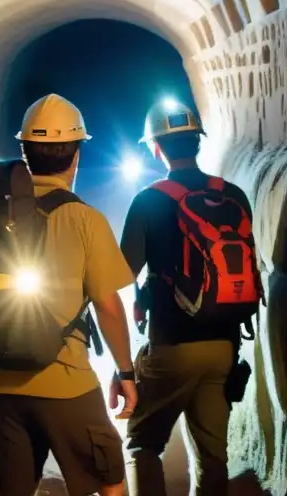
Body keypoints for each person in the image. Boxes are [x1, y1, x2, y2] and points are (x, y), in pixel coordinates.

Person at [0, 93, 138, 496]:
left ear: (24, 153)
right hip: (66, 384)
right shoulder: (84, 219)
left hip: (2, 386)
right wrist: (126, 373)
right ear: (76, 156)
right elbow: (109, 307)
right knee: (110, 480)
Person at [120, 101, 257, 496]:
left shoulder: (149, 199)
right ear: (198, 142)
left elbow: (123, 270)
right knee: (213, 454)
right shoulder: (232, 195)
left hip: (172, 345)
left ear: (156, 148)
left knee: (144, 443)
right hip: (224, 346)